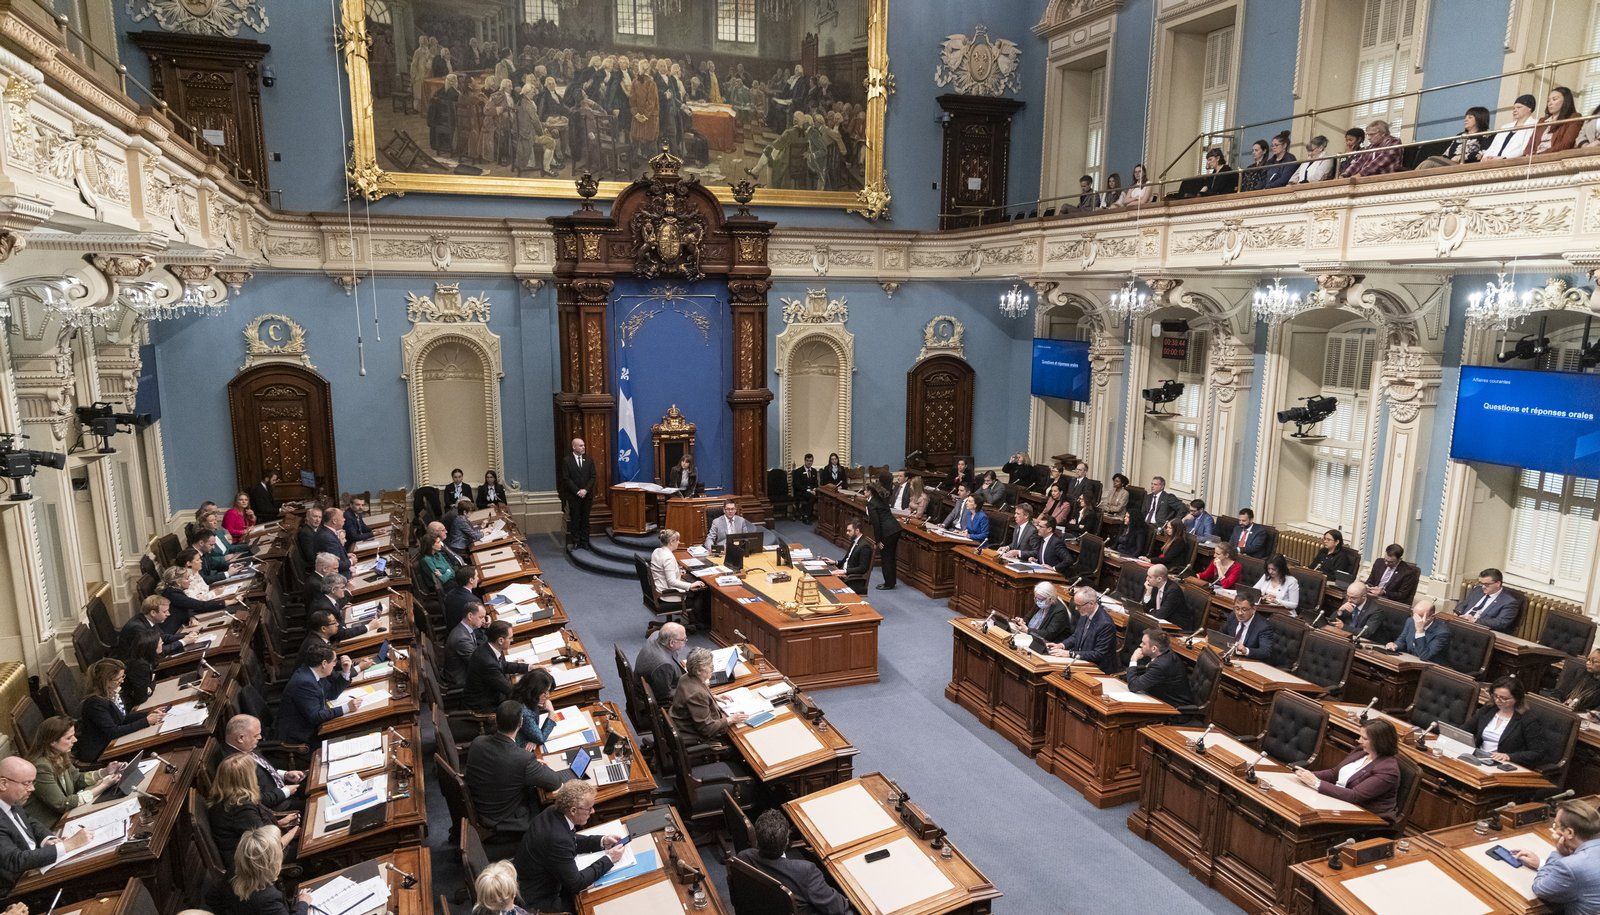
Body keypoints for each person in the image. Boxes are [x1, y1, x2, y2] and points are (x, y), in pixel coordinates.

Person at [513, 780, 625, 910]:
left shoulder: (553, 812)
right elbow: (577, 883)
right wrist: (609, 859)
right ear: (573, 810)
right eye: (589, 808)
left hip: (531, 880)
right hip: (539, 898)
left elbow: (570, 839)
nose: (593, 811)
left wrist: (602, 841)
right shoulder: (557, 839)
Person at [0, 756, 95, 898]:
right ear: (3, 784)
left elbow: (30, 821)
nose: (32, 789)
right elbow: (15, 860)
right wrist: (69, 844)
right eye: (26, 783)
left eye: (33, 783)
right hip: (17, 887)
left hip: (36, 866)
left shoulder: (11, 800)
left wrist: (48, 839)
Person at [469, 700, 570, 832]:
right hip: (505, 817)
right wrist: (535, 766)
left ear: (496, 721)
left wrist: (530, 766)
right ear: (521, 723)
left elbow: (503, 764)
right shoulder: (523, 759)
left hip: (483, 803)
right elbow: (555, 782)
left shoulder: (478, 742)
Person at [737, 809, 851, 914]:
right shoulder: (806, 872)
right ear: (787, 840)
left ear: (757, 839)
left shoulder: (743, 857)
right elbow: (838, 908)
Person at [1292, 719, 1401, 820]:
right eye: (1360, 736)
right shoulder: (1362, 751)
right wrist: (1305, 775)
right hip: (1340, 802)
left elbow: (1355, 796)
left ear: (1380, 741)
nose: (1359, 741)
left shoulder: (1388, 770)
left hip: (1365, 816)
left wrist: (1316, 782)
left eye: (1365, 738)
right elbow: (1334, 773)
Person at [26, 716, 125, 823]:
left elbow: (77, 779)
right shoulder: (41, 767)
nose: (75, 740)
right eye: (69, 738)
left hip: (70, 814)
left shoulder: (60, 754)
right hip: (54, 824)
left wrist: (105, 771)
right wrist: (103, 786)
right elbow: (62, 804)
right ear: (52, 742)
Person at [208, 754, 299, 867]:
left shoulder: (225, 799)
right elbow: (268, 849)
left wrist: (279, 823)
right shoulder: (242, 809)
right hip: (255, 865)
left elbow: (251, 829)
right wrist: (293, 832)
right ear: (248, 779)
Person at [1511, 799, 1600, 911]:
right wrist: (1541, 864)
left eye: (1556, 826)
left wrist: (1559, 852)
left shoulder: (1571, 866)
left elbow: (1540, 888)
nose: (1555, 830)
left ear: (1569, 833)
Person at [204, 825, 310, 915]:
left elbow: (211, 897)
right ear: (271, 863)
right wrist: (303, 903)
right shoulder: (268, 899)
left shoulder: (235, 869)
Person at [76, 658, 163, 764]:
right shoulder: (95, 703)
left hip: (112, 742)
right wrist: (146, 721)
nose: (122, 681)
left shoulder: (110, 692)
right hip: (101, 750)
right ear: (106, 680)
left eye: (123, 676)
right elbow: (113, 732)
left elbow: (122, 718)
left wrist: (148, 713)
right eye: (118, 678)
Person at [277, 644, 360, 746]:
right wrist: (346, 708)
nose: (335, 664)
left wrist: (346, 672)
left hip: (315, 725)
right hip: (302, 736)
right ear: (324, 663)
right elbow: (315, 716)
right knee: (352, 735)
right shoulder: (304, 682)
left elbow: (331, 694)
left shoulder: (313, 672)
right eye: (334, 661)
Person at [224, 713, 304, 812]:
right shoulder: (234, 765)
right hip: (277, 806)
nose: (260, 738)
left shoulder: (245, 745)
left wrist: (285, 774)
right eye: (256, 735)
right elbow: (255, 800)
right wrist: (285, 792)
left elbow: (263, 768)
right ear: (241, 738)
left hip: (283, 788)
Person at [1470, 676, 1555, 769]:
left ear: (1517, 698)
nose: (1498, 700)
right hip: (1479, 757)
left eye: (1504, 698)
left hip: (1503, 764)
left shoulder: (1528, 720)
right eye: (1495, 696)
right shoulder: (1488, 709)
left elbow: (1537, 752)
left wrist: (1509, 756)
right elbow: (1466, 729)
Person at [671, 647, 747, 743]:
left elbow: (693, 695)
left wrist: (713, 697)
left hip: (683, 723)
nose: (713, 668)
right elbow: (707, 729)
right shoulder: (697, 694)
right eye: (710, 666)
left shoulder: (685, 677)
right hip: (694, 734)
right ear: (699, 671)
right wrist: (731, 719)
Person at [465, 621, 529, 712]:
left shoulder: (490, 647)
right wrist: (532, 687)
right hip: (484, 704)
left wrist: (528, 667)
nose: (512, 640)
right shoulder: (488, 663)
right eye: (510, 638)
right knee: (524, 705)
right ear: (500, 640)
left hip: (491, 693)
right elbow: (509, 690)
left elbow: (504, 665)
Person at [1050, 588, 1117, 673]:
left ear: (1091, 604)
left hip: (1098, 668)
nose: (1076, 609)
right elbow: (1076, 636)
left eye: (1079, 605)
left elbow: (1098, 654)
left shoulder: (1105, 624)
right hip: (1081, 660)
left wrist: (1070, 654)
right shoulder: (1085, 612)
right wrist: (1062, 645)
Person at [1126, 629, 1193, 707]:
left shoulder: (1161, 665)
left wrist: (1133, 660)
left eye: (1143, 643)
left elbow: (1133, 686)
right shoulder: (1165, 653)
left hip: (1173, 709)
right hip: (1158, 697)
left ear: (1154, 649)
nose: (1140, 645)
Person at [1419, 107, 1492, 168]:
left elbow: (1483, 153)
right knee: (1431, 161)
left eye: (1470, 117)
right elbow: (1446, 154)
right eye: (1465, 117)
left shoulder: (1486, 134)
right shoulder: (1460, 135)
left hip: (1465, 165)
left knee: (1429, 163)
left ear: (1480, 119)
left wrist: (1460, 157)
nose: (1465, 120)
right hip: (1449, 163)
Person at [120, 593, 188, 656]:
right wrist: (182, 642)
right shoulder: (138, 629)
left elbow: (163, 637)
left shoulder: (149, 619)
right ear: (153, 613)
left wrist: (185, 635)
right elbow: (156, 651)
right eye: (165, 611)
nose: (168, 614)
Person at [634, 623, 687, 705]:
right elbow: (665, 695)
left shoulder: (656, 635)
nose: (685, 641)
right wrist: (689, 688)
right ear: (672, 643)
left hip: (647, 681)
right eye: (683, 639)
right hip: (656, 701)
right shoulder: (664, 665)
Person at [866, 471, 902, 589]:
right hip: (896, 529)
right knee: (891, 556)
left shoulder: (871, 504)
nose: (864, 492)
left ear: (871, 492)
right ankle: (892, 582)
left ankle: (888, 584)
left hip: (887, 532)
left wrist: (878, 541)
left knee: (886, 557)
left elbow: (876, 524)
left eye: (866, 490)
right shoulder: (881, 499)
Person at [1386, 599, 1452, 663]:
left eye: (1419, 616)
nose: (1415, 619)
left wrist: (1420, 631)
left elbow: (1424, 656)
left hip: (1429, 668)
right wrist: (1395, 645)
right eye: (1414, 614)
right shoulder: (1410, 621)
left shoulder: (1443, 633)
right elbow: (1402, 640)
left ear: (1431, 617)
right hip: (1409, 660)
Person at [111, 624, 161, 709]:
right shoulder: (140, 666)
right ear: (152, 647)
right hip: (128, 705)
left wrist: (150, 684)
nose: (162, 643)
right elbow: (141, 697)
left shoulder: (143, 657)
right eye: (160, 643)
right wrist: (151, 685)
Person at [1458, 567, 1519, 633]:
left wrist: (1474, 620)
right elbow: (1464, 604)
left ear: (1498, 583)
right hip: (1460, 623)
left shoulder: (1509, 602)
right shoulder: (1478, 590)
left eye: (1486, 584)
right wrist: (1457, 612)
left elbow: (1501, 623)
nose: (1483, 587)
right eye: (1481, 583)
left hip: (1478, 630)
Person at [445, 602, 489, 688]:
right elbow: (478, 664)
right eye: (481, 617)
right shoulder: (462, 639)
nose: (484, 620)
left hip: (464, 667)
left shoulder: (464, 628)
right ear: (470, 616)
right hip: (461, 677)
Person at [1483, 94, 1539, 161]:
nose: (1515, 110)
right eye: (1514, 108)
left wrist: (1504, 157)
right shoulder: (1505, 127)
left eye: (1519, 107)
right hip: (1493, 162)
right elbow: (1493, 146)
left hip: (1513, 162)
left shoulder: (1535, 124)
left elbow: (1525, 148)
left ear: (1530, 108)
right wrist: (1486, 157)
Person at [562, 438, 595, 549]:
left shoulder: (589, 460)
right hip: (574, 496)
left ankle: (585, 541)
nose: (583, 447)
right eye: (580, 445)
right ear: (574, 447)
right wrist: (577, 491)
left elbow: (593, 477)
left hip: (587, 495)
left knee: (585, 519)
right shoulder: (567, 460)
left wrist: (585, 490)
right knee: (575, 519)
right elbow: (566, 479)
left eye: (583, 445)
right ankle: (576, 541)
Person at [1223, 598, 1276, 663]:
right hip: (1229, 657)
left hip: (1248, 661)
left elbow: (1265, 652)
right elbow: (1221, 632)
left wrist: (1246, 650)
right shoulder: (1233, 616)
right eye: (1237, 609)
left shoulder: (1264, 627)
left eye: (1244, 609)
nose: (1239, 613)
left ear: (1253, 609)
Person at [1531, 86, 1581, 155]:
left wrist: (1542, 154)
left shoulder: (1574, 117)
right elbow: (1531, 143)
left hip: (1554, 157)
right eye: (1548, 101)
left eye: (1554, 99)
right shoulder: (1542, 120)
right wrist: (1528, 154)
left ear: (1565, 101)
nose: (1549, 103)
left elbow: (1566, 144)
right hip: (1535, 158)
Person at [1143, 563, 1193, 630]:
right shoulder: (1155, 586)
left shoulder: (1173, 591)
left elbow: (1160, 615)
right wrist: (1148, 592)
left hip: (1177, 627)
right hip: (1162, 622)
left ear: (1159, 579)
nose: (1147, 579)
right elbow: (1145, 608)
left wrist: (1150, 610)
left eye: (1149, 577)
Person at [1550, 649, 1600, 715]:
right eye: (1588, 659)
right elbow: (1560, 691)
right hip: (1561, 711)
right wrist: (1555, 700)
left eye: (1594, 661)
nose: (1587, 663)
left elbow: (1596, 712)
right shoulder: (1581, 672)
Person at [315, 507, 351, 577]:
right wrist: (351, 561)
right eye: (342, 517)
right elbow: (336, 565)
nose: (344, 519)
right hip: (339, 577)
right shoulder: (327, 537)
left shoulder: (327, 532)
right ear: (334, 521)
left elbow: (336, 553)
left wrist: (346, 555)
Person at [838, 520, 872, 593]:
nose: (847, 533)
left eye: (849, 531)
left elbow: (862, 568)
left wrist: (845, 571)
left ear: (857, 530)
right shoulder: (855, 541)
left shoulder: (865, 546)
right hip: (844, 574)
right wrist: (835, 562)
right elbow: (847, 560)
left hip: (852, 580)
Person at [792, 453, 820, 523]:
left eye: (811, 461)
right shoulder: (798, 471)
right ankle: (806, 516)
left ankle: (820, 517)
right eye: (807, 461)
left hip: (811, 491)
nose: (809, 462)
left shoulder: (814, 471)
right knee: (812, 497)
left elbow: (816, 483)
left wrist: (814, 489)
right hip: (801, 492)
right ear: (805, 461)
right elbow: (796, 485)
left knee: (822, 496)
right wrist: (808, 490)